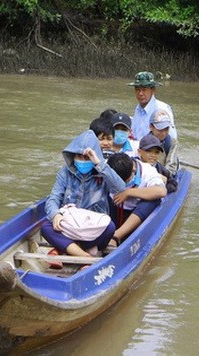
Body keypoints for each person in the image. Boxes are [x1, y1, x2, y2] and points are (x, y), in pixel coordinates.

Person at [40, 130, 126, 267]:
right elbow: (53, 198)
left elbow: (120, 188)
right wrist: (56, 215)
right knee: (45, 227)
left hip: (93, 227)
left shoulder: (102, 173)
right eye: (79, 157)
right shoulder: (65, 173)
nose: (83, 161)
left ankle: (66, 249)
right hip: (69, 225)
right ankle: (84, 255)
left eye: (87, 158)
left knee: (110, 228)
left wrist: (98, 162)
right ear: (73, 157)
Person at [106, 153, 167, 246]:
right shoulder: (108, 167)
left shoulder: (147, 171)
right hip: (114, 208)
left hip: (136, 214)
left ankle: (116, 236)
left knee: (152, 200)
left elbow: (161, 191)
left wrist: (128, 192)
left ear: (133, 169)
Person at [128, 71, 178, 141]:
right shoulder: (138, 109)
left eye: (144, 90)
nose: (140, 93)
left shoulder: (161, 109)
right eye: (137, 89)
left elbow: (172, 139)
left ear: (153, 90)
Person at [149, 109, 180, 174]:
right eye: (160, 129)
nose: (163, 133)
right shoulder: (144, 142)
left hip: (164, 174)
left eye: (166, 129)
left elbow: (171, 166)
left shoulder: (172, 143)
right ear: (151, 127)